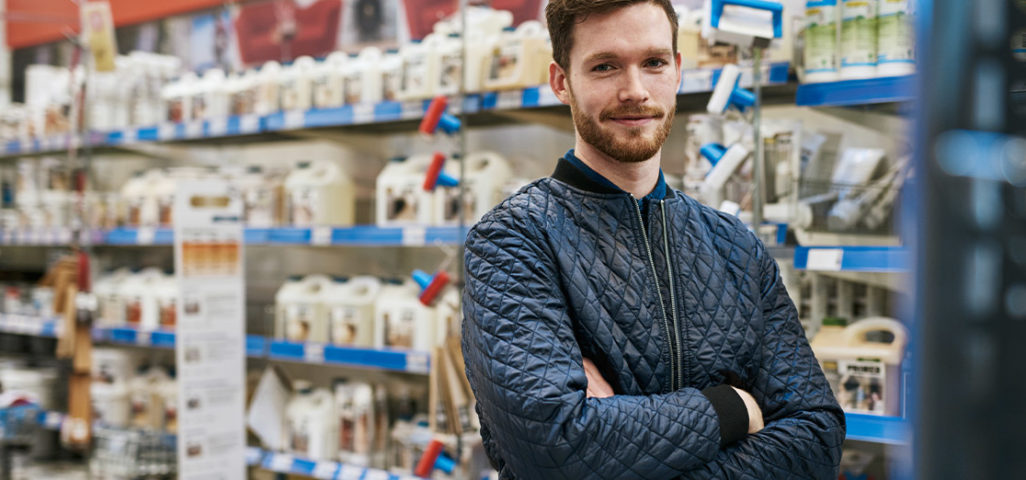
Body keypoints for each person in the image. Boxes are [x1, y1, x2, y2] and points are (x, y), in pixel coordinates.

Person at [460, 0, 846, 478]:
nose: (635, 90)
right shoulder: (513, 241)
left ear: (678, 70)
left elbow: (817, 437)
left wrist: (619, 440)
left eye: (654, 63)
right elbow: (555, 444)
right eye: (605, 67)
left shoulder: (734, 246)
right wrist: (733, 408)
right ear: (562, 82)